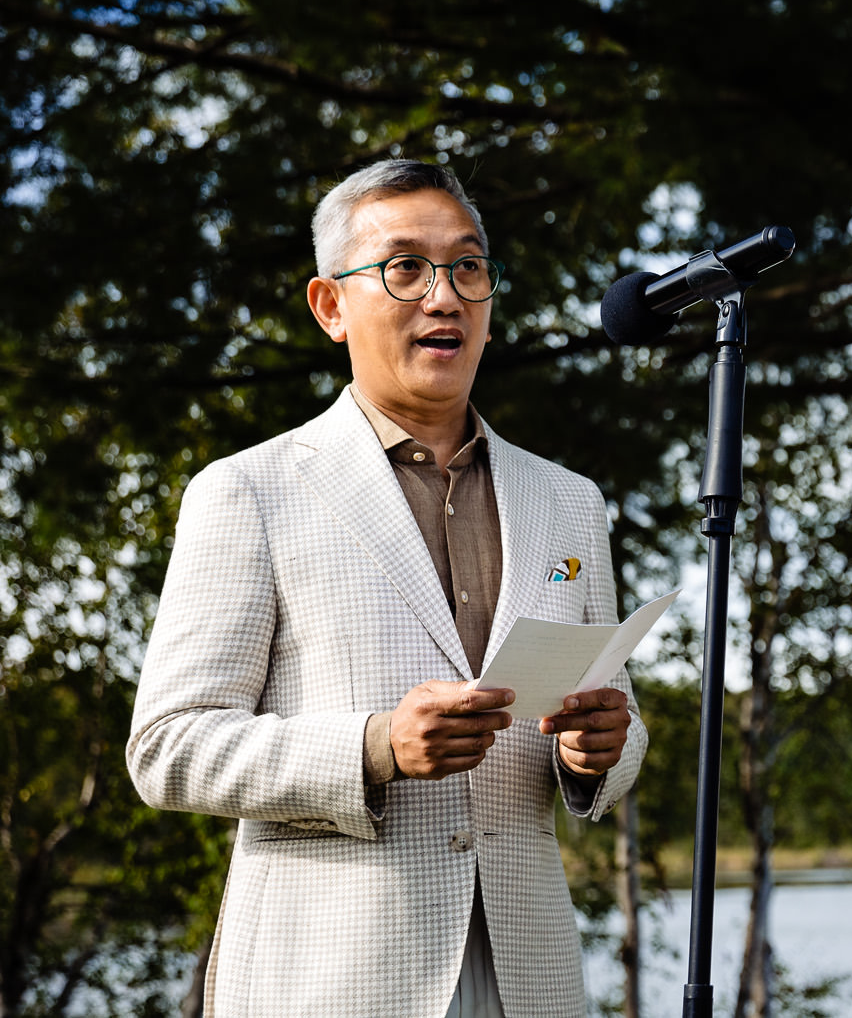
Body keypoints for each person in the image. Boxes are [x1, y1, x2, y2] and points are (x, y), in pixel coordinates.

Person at [128, 160, 647, 1017]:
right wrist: (374, 746)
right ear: (331, 306)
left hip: (529, 975)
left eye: (468, 267)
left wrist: (599, 750)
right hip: (331, 978)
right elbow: (169, 748)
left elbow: (613, 724)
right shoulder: (249, 490)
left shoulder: (569, 501)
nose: (444, 296)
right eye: (404, 267)